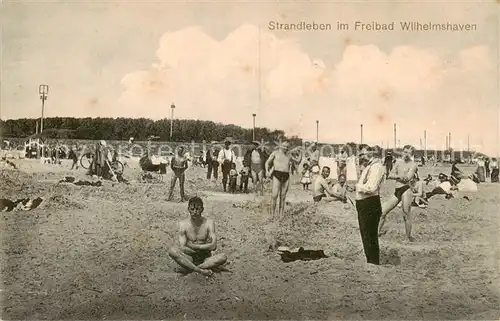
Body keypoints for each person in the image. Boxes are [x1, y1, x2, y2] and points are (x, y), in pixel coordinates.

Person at [168, 197, 227, 276]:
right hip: (190, 257)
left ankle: (190, 268)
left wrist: (194, 246)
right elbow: (183, 247)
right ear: (188, 209)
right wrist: (203, 247)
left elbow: (214, 246)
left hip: (205, 258)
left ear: (202, 209)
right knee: (172, 251)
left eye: (197, 209)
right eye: (192, 209)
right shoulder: (183, 224)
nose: (195, 212)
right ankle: (200, 270)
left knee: (223, 257)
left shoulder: (209, 223)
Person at [378, 145, 418, 241]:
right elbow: (389, 175)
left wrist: (397, 176)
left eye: (408, 152)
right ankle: (377, 233)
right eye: (404, 152)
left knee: (405, 214)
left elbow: (407, 179)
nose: (406, 154)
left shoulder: (413, 165)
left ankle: (408, 237)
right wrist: (399, 176)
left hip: (406, 190)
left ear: (412, 154)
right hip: (397, 190)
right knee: (383, 212)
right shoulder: (398, 163)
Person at [354, 146, 386, 265]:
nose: (361, 157)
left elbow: (371, 188)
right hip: (364, 204)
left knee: (370, 236)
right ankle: (371, 263)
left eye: (363, 154)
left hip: (370, 204)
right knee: (366, 236)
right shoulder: (368, 167)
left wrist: (357, 187)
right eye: (360, 155)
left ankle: (373, 263)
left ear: (371, 154)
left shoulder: (376, 167)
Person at [265, 141, 302, 220]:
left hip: (286, 176)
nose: (286, 148)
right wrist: (267, 171)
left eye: (287, 147)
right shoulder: (275, 153)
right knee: (274, 195)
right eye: (284, 146)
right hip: (277, 174)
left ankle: (281, 215)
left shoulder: (288, 155)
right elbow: (267, 162)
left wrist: (301, 153)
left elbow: (298, 161)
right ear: (280, 145)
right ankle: (272, 214)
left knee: (283, 196)